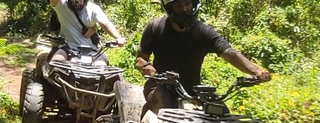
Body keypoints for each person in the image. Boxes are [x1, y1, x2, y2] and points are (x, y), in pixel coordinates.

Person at [135, 0, 271, 115]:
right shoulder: (155, 28)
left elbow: (229, 53)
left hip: (193, 90)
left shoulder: (203, 32)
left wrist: (256, 72)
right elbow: (141, 60)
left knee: (221, 114)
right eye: (179, 5)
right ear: (170, 8)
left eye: (188, 3)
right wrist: (152, 72)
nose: (185, 9)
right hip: (160, 86)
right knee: (165, 111)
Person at [49, 0, 126, 65]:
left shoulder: (93, 9)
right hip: (67, 47)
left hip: (91, 49)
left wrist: (118, 37)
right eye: (73, 1)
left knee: (102, 67)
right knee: (56, 63)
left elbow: (105, 23)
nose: (76, 2)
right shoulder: (62, 6)